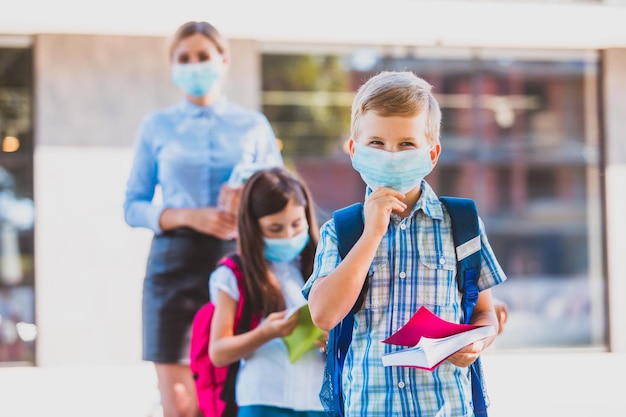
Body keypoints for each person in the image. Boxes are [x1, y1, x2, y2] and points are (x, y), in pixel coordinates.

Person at [303, 71, 507, 416]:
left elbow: (485, 312)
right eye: (377, 143)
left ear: (432, 154)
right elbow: (323, 315)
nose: (391, 155)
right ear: (354, 150)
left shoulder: (462, 224)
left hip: (445, 406)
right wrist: (371, 235)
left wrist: (478, 340)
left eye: (407, 144)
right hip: (368, 406)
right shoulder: (340, 230)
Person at [123, 20, 283, 417]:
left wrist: (248, 196)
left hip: (237, 266)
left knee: (231, 397)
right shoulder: (156, 126)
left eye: (203, 56)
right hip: (173, 269)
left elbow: (281, 199)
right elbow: (133, 206)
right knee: (181, 405)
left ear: (223, 60)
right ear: (173, 66)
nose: (194, 65)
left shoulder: (253, 126)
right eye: (184, 58)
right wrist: (186, 215)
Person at [209, 167, 327, 417]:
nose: (288, 235)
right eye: (275, 229)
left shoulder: (323, 267)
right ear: (253, 227)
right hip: (264, 399)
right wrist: (264, 333)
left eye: (297, 224)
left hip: (318, 400)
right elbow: (218, 352)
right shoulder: (234, 273)